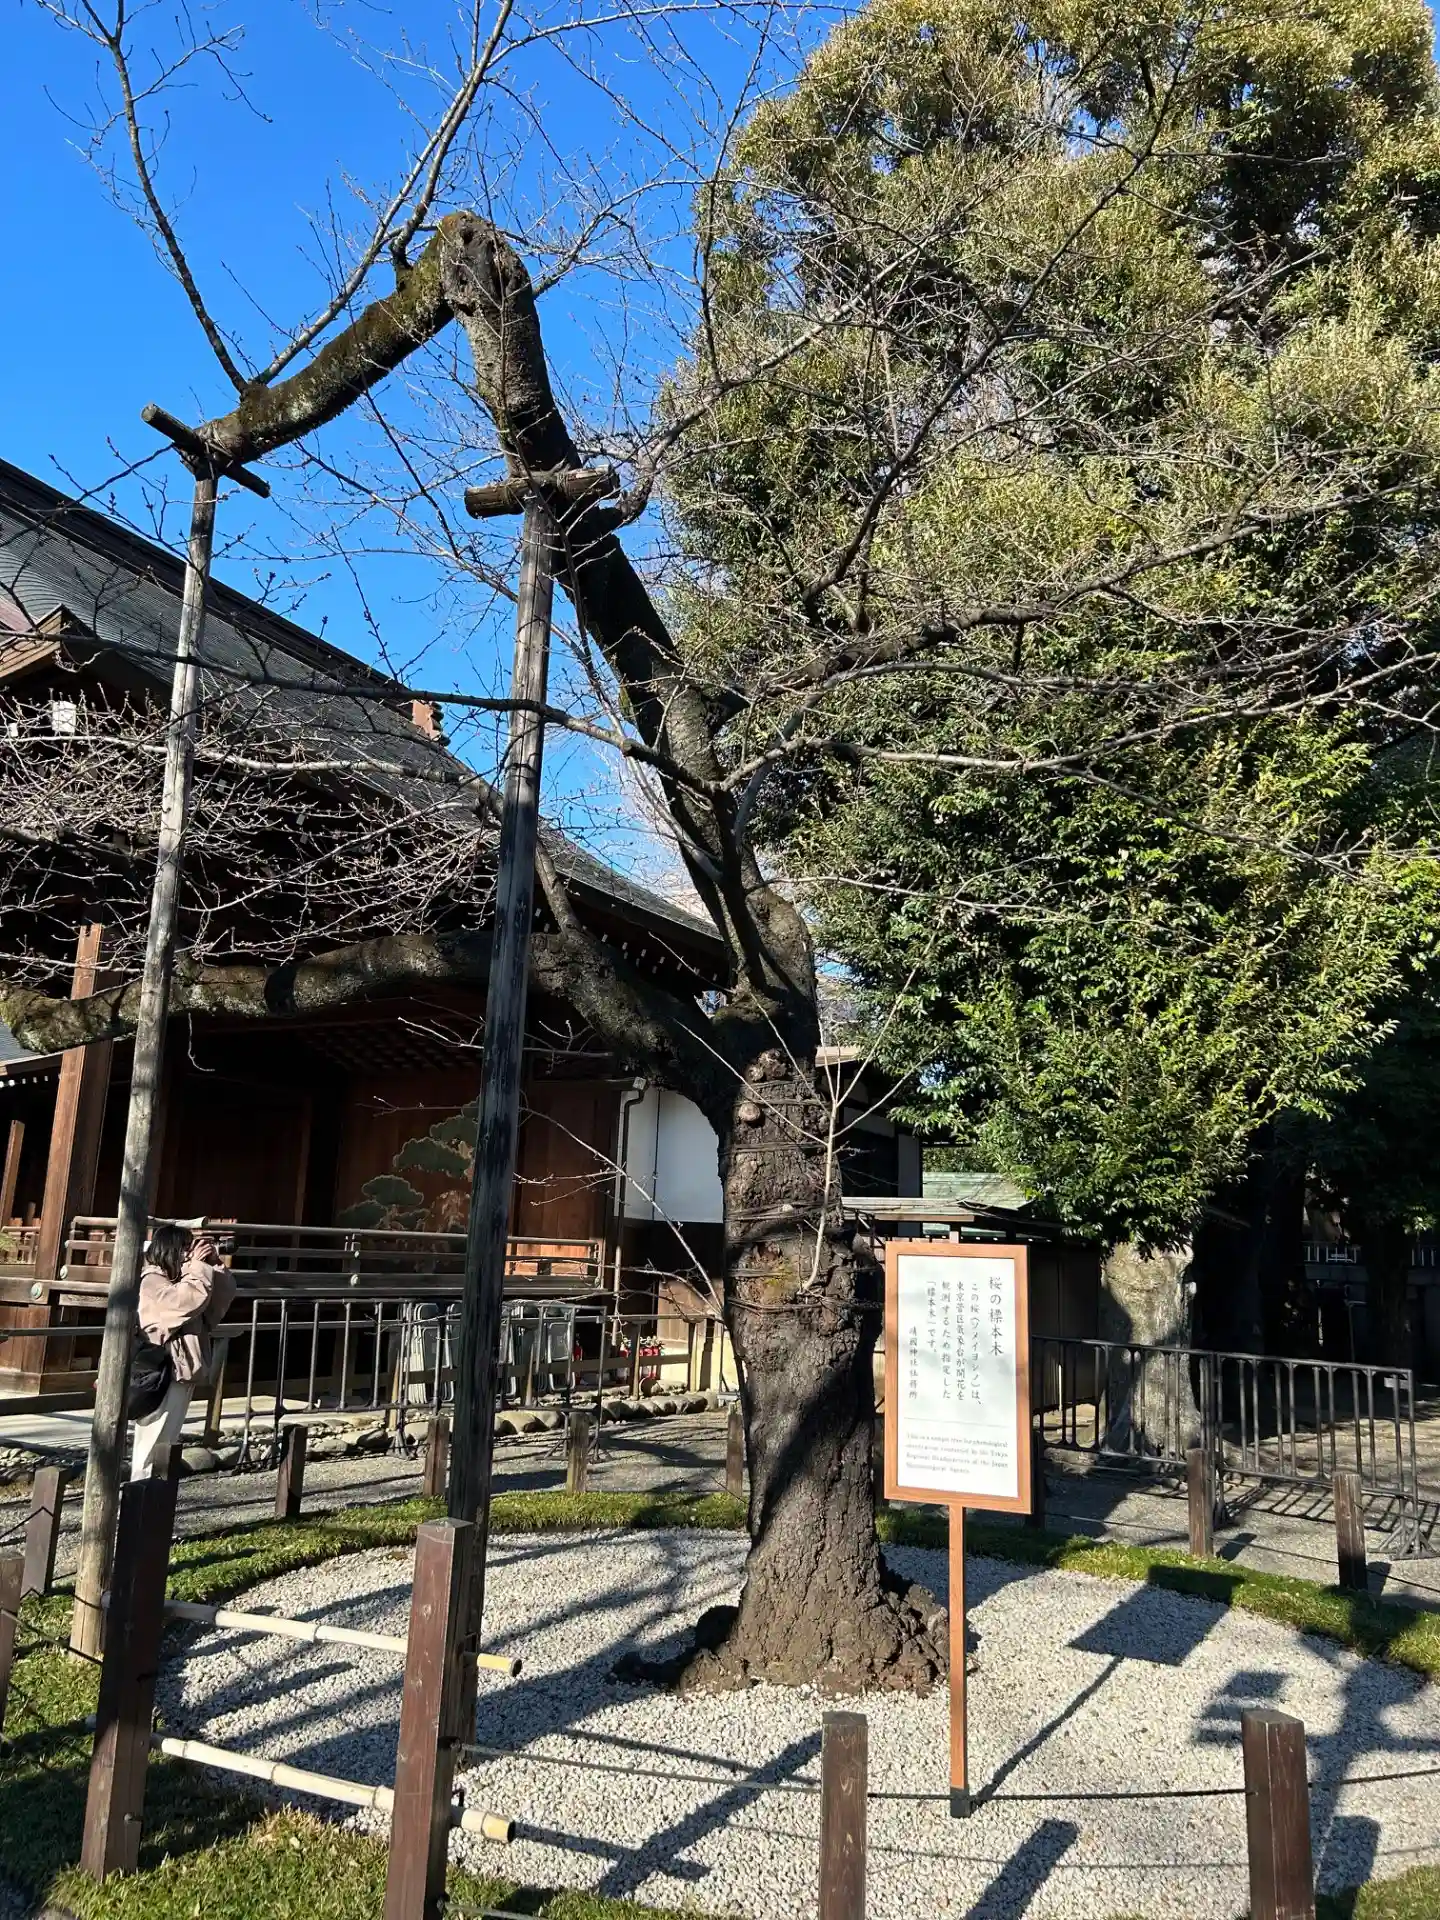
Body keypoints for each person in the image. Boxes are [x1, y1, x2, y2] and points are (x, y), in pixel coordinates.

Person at [129, 1223, 236, 1480]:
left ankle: (154, 1498)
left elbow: (215, 1304)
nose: (191, 1253)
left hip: (180, 1372)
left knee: (165, 1444)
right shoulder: (152, 1281)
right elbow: (185, 1302)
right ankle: (140, 1497)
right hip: (161, 1373)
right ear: (172, 1249)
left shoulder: (183, 1279)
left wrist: (214, 1265)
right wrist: (197, 1267)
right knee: (152, 1445)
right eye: (186, 1248)